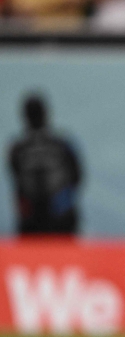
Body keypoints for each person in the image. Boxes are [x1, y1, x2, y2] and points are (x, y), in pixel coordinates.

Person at [7, 94, 83, 235]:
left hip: (33, 221)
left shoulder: (17, 149)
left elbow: (16, 181)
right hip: (61, 218)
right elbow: (77, 178)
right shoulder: (62, 144)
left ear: (25, 117)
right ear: (46, 114)